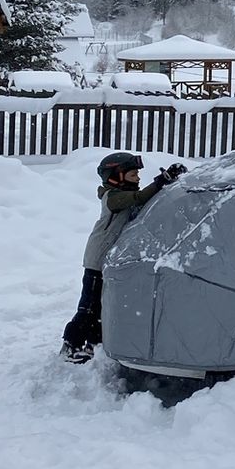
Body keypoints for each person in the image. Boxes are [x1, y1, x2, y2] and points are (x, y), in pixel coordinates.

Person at [61, 151, 186, 362]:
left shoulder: (125, 197)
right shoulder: (112, 197)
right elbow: (139, 198)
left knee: (102, 305)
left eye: (137, 174)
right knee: (88, 306)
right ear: (115, 176)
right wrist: (161, 181)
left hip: (107, 261)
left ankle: (93, 343)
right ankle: (71, 345)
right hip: (96, 260)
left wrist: (170, 183)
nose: (137, 177)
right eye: (132, 174)